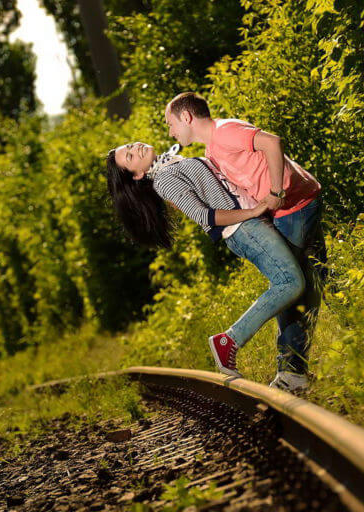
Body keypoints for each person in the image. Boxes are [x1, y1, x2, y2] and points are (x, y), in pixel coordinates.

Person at [106, 142, 307, 387]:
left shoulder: (169, 163)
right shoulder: (164, 180)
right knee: (290, 283)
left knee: (290, 285)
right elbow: (205, 216)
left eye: (130, 145)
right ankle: (229, 341)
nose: (135, 147)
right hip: (243, 230)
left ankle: (292, 371)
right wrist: (253, 212)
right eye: (129, 155)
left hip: (250, 225)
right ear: (137, 175)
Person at [164, 92, 327, 392]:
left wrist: (276, 192)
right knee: (298, 285)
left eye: (171, 124)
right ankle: (292, 372)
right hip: (294, 207)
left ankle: (292, 372)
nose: (171, 132)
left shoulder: (225, 131)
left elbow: (272, 142)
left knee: (303, 285)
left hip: (295, 203)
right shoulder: (213, 149)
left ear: (186, 117)